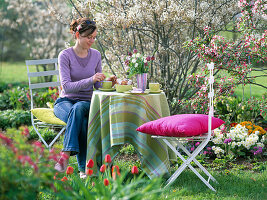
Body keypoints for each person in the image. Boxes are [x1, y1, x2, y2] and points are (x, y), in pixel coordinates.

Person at [54, 18, 117, 178]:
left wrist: (108, 82)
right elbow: (66, 87)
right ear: (77, 35)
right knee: (80, 118)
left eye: (94, 37)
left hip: (87, 103)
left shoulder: (95, 55)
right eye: (89, 37)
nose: (92, 40)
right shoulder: (65, 55)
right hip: (65, 102)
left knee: (80, 108)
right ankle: (84, 170)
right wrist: (91, 79)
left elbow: (97, 86)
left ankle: (65, 156)